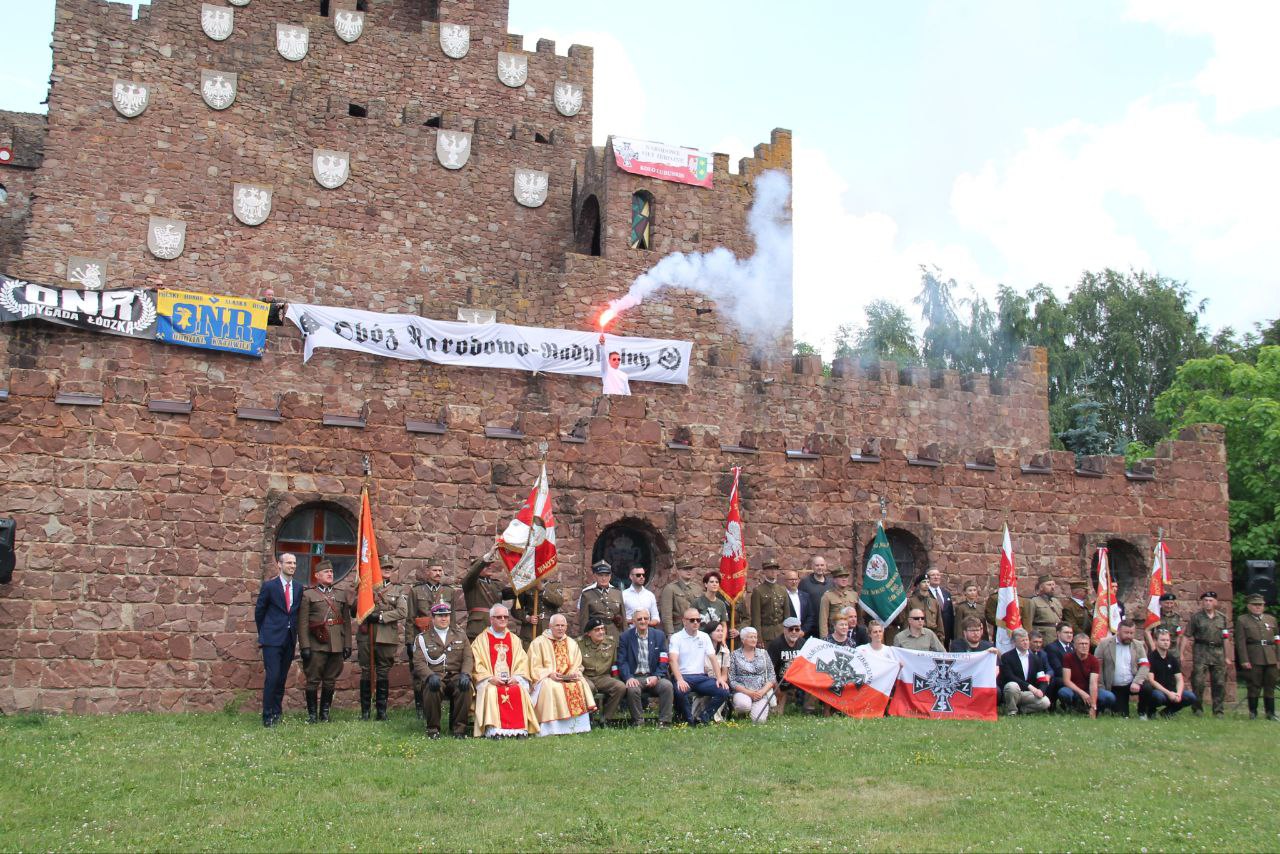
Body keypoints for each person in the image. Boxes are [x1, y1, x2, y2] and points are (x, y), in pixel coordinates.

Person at [470, 603, 538, 737]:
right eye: (499, 617)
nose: (503, 619)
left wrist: (517, 677)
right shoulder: (481, 640)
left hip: (511, 679)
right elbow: (477, 664)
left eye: (505, 617)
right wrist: (490, 678)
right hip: (491, 681)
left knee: (518, 689)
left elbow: (522, 662)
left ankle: (519, 730)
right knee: (492, 691)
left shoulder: (514, 640)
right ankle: (495, 730)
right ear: (491, 619)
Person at [405, 559, 460, 718]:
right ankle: (420, 708)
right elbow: (410, 618)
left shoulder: (448, 592)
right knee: (419, 672)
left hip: (442, 637)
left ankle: (437, 704)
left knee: (442, 670)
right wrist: (409, 641)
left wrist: (453, 638)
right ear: (427, 571)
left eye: (440, 570)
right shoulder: (416, 591)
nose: (438, 573)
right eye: (435, 570)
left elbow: (452, 619)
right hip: (422, 636)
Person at [353, 559, 408, 721]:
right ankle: (365, 712)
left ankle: (381, 712)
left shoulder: (396, 589)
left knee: (383, 671)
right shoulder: (366, 588)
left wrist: (381, 617)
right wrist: (361, 592)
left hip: (386, 636)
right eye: (384, 567)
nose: (387, 570)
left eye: (390, 567)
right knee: (366, 670)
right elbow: (354, 608)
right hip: (366, 636)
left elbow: (402, 611)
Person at [297, 559, 351, 724]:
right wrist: (305, 646)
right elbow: (303, 623)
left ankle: (325, 714)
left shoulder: (340, 594)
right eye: (326, 572)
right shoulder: (308, 595)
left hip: (336, 644)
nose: (330, 574)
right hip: (316, 644)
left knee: (330, 679)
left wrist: (347, 644)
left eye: (331, 572)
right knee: (313, 679)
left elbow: (346, 622)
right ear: (317, 575)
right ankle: (312, 715)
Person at [255, 552, 304, 728]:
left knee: (282, 678)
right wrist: (265, 633)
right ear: (279, 564)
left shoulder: (298, 588)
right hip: (272, 640)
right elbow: (259, 612)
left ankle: (277, 712)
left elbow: (296, 613)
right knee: (273, 676)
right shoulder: (270, 586)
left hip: (289, 639)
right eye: (289, 563)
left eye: (294, 563)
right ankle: (267, 715)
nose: (292, 566)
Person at [411, 602, 473, 738]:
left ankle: (459, 729)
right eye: (440, 616)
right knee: (432, 687)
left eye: (446, 615)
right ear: (433, 618)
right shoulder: (423, 638)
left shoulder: (460, 635)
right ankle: (433, 729)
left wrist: (466, 674)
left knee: (465, 687)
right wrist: (429, 676)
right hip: (435, 676)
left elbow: (468, 658)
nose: (444, 618)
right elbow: (418, 662)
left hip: (455, 676)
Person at [528, 614, 596, 736]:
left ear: (566, 627)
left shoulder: (571, 643)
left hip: (568, 677)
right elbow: (534, 666)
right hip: (547, 678)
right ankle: (552, 728)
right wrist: (550, 674)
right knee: (551, 687)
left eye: (563, 625)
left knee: (580, 683)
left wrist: (573, 674)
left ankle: (578, 727)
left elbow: (577, 664)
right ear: (550, 626)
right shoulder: (538, 642)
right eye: (557, 625)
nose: (560, 628)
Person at [669, 608, 731, 725]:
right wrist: (680, 680)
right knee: (680, 692)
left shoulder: (704, 636)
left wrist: (719, 678)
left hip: (701, 677)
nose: (696, 622)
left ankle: (704, 717)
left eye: (698, 620)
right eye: (692, 620)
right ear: (684, 621)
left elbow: (713, 658)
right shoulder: (676, 637)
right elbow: (673, 660)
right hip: (683, 676)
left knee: (724, 691)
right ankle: (689, 721)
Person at [616, 608, 675, 727]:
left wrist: (657, 676)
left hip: (653, 675)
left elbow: (664, 659)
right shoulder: (625, 637)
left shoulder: (659, 635)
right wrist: (628, 678)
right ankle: (638, 722)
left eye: (646, 618)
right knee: (632, 689)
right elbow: (622, 661)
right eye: (639, 619)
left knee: (667, 686)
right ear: (633, 621)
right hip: (635, 677)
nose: (643, 621)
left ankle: (664, 721)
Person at [1234, 593, 1279, 720]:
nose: (1258, 607)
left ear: (1264, 606)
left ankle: (1270, 713)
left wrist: (1278, 658)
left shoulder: (1271, 619)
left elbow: (1277, 639)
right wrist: (1244, 660)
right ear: (1249, 606)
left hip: (1270, 656)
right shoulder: (1243, 620)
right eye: (1254, 605)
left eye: (1260, 605)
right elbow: (1240, 642)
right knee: (1254, 685)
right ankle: (1253, 712)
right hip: (1254, 656)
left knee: (1270, 685)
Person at [1186, 590, 1230, 717]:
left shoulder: (1222, 618)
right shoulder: (1196, 617)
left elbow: (1226, 638)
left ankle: (1218, 711)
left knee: (1219, 683)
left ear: (1215, 602)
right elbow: (1187, 635)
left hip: (1218, 652)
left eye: (1210, 601)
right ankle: (1197, 709)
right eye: (1205, 600)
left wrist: (1227, 656)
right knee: (1198, 682)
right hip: (1201, 652)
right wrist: (1182, 653)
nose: (1208, 603)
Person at [1095, 619, 1150, 717]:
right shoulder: (1104, 644)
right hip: (1115, 686)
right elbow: (1097, 666)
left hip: (1132, 683)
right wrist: (1101, 687)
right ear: (1118, 631)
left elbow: (1145, 665)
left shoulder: (1138, 645)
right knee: (1122, 715)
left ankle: (1142, 713)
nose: (1129, 636)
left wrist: (1137, 682)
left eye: (1131, 633)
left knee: (1147, 688)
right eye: (1126, 633)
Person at [579, 616, 627, 726]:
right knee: (589, 687)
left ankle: (606, 719)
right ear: (589, 633)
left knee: (620, 687)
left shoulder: (611, 642)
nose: (601, 632)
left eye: (602, 629)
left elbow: (614, 664)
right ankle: (588, 720)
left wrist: (615, 678)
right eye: (597, 630)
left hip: (603, 677)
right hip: (586, 677)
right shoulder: (579, 644)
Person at [1139, 627, 1196, 719]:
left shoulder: (1172, 658)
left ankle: (1166, 713)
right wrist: (1169, 693)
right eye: (1162, 640)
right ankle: (1151, 711)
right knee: (1158, 697)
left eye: (1167, 640)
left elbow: (1179, 679)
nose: (1166, 642)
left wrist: (1178, 694)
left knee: (1191, 697)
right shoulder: (1151, 658)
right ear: (1155, 641)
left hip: (1172, 690)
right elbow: (1151, 680)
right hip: (1158, 691)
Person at [728, 627, 777, 723]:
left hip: (760, 693)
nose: (754, 639)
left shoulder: (764, 653)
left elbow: (772, 676)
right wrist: (749, 693)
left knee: (760, 720)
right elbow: (732, 680)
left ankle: (758, 708)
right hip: (743, 692)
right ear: (743, 640)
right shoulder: (734, 655)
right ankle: (742, 713)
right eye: (751, 637)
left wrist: (762, 692)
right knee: (744, 706)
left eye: (755, 637)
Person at [998, 628, 1051, 715]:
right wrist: (1029, 686)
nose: (1026, 643)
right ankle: (1012, 711)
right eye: (1022, 640)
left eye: (1027, 640)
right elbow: (1009, 677)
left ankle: (1022, 710)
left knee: (1045, 702)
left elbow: (1042, 679)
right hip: (1012, 692)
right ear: (1015, 642)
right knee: (1011, 685)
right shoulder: (1006, 657)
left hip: (1027, 694)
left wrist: (1041, 690)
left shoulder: (1036, 658)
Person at [1059, 633, 1114, 717]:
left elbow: (1093, 683)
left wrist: (1093, 706)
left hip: (1089, 690)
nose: (1084, 646)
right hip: (1074, 690)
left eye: (1086, 644)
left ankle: (1096, 710)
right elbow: (1066, 681)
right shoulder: (1068, 658)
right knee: (1064, 692)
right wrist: (1082, 693)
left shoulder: (1094, 660)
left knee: (1109, 697)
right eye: (1081, 644)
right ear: (1075, 645)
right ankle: (1071, 708)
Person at [461, 546, 503, 641]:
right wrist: (488, 556)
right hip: (478, 628)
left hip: (496, 627)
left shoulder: (497, 584)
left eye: (490, 565)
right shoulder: (470, 582)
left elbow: (515, 592)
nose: (490, 567)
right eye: (486, 565)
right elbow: (472, 573)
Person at [767, 616, 807, 715]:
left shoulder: (803, 642)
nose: (794, 632)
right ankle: (777, 707)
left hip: (798, 678)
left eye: (797, 629)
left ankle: (809, 710)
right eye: (791, 629)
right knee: (777, 714)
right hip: (780, 680)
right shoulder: (776, 644)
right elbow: (769, 669)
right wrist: (776, 687)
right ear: (784, 630)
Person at [509, 577, 564, 647]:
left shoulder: (555, 585)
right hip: (530, 632)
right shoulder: (526, 586)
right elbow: (515, 609)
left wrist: (543, 590)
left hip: (548, 630)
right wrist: (527, 618)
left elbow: (559, 602)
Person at [578, 561, 626, 640]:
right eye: (600, 575)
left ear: (610, 576)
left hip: (614, 633)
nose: (604, 578)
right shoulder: (587, 594)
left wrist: (625, 636)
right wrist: (585, 639)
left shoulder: (617, 593)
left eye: (606, 575)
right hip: (595, 633)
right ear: (595, 576)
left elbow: (623, 617)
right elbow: (584, 620)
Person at [750, 559, 789, 644]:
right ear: (764, 571)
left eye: (775, 569)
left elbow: (787, 615)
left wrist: (788, 633)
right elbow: (756, 617)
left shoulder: (782, 590)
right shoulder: (758, 591)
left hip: (781, 632)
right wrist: (758, 638)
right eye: (770, 569)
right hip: (766, 634)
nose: (773, 571)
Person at [659, 558, 700, 635]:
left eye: (690, 569)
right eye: (685, 569)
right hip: (678, 629)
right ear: (678, 571)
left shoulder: (697, 588)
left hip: (695, 629)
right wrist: (670, 633)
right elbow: (666, 615)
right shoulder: (670, 588)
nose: (688, 571)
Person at [692, 572, 735, 637]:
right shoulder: (697, 602)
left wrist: (722, 640)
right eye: (711, 582)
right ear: (706, 584)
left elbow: (724, 625)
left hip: (716, 639)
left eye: (717, 582)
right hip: (700, 637)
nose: (714, 584)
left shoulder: (721, 604)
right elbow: (691, 622)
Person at [1043, 622, 1075, 710]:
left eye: (1071, 633)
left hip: (1072, 678)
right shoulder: (1052, 648)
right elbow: (1057, 669)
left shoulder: (1074, 647)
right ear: (1058, 633)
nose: (1069, 635)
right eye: (1066, 632)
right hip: (1059, 678)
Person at [818, 567, 857, 637]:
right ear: (834, 580)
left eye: (846, 577)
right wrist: (824, 639)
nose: (844, 579)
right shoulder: (827, 596)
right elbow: (823, 620)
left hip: (851, 634)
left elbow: (859, 617)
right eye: (841, 577)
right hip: (834, 633)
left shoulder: (853, 594)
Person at [1024, 575, 1063, 643]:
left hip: (1058, 635)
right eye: (1049, 585)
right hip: (1043, 637)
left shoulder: (1056, 601)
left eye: (1053, 584)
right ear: (1041, 587)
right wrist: (1031, 638)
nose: (1052, 587)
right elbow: (1028, 623)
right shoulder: (1033, 601)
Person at [906, 575, 944, 642]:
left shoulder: (934, 602)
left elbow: (939, 621)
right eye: (924, 582)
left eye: (928, 582)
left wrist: (941, 636)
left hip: (932, 634)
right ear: (918, 585)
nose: (926, 584)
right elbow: (906, 620)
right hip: (917, 634)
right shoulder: (911, 601)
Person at [781, 569, 817, 638]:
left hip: (803, 635)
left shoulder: (805, 596)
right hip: (787, 635)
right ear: (785, 581)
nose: (794, 582)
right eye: (791, 580)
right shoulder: (781, 596)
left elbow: (810, 616)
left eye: (796, 579)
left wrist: (803, 631)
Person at [924, 568, 955, 646]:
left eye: (938, 575)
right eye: (933, 575)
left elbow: (950, 614)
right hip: (932, 631)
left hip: (946, 632)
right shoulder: (924, 593)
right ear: (927, 578)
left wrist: (952, 634)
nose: (936, 577)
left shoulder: (946, 593)